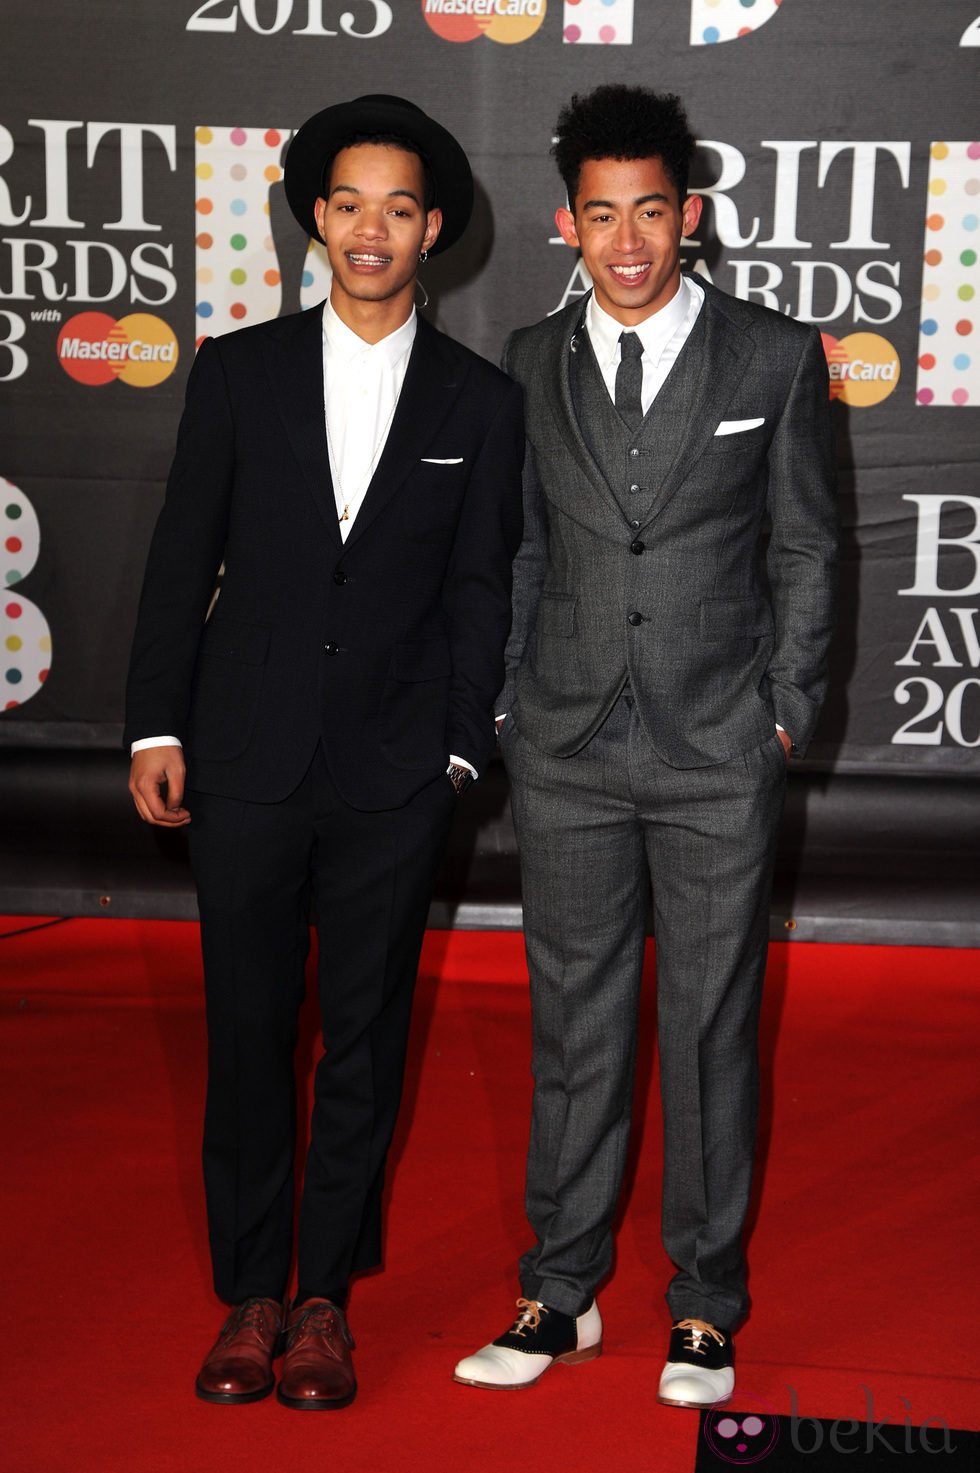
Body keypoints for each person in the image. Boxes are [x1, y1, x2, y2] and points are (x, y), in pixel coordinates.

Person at [125, 93, 523, 1411]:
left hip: (396, 773)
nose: (371, 228)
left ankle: (322, 1305)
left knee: (364, 1035)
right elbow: (182, 557)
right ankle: (248, 1293)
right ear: (315, 214)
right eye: (348, 202)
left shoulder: (484, 398)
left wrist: (461, 756)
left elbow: (482, 590)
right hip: (241, 754)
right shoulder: (237, 371)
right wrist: (156, 719)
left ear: (435, 230)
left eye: (399, 207)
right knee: (246, 1028)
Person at [454, 83, 837, 1408]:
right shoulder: (524, 361)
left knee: (713, 1025)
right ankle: (558, 1290)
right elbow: (512, 546)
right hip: (562, 745)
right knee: (573, 1024)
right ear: (569, 222)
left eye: (652, 212)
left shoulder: (773, 357)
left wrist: (786, 704)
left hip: (719, 747)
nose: (627, 241)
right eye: (600, 215)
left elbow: (805, 542)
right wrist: (506, 697)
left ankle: (704, 1304)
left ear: (691, 213)